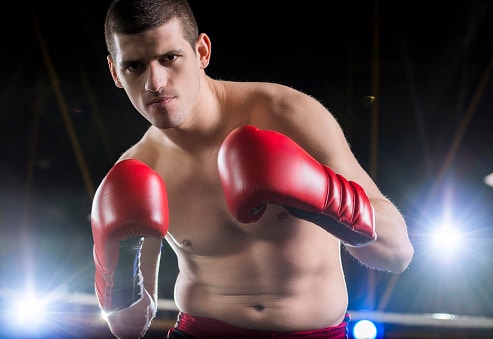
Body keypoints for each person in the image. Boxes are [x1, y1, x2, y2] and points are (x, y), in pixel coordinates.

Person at [90, 0, 414, 338]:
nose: (154, 82)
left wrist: (323, 195)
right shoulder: (138, 171)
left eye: (169, 58)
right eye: (135, 66)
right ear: (115, 72)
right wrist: (118, 267)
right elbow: (127, 327)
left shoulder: (287, 115)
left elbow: (397, 254)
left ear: (202, 51)